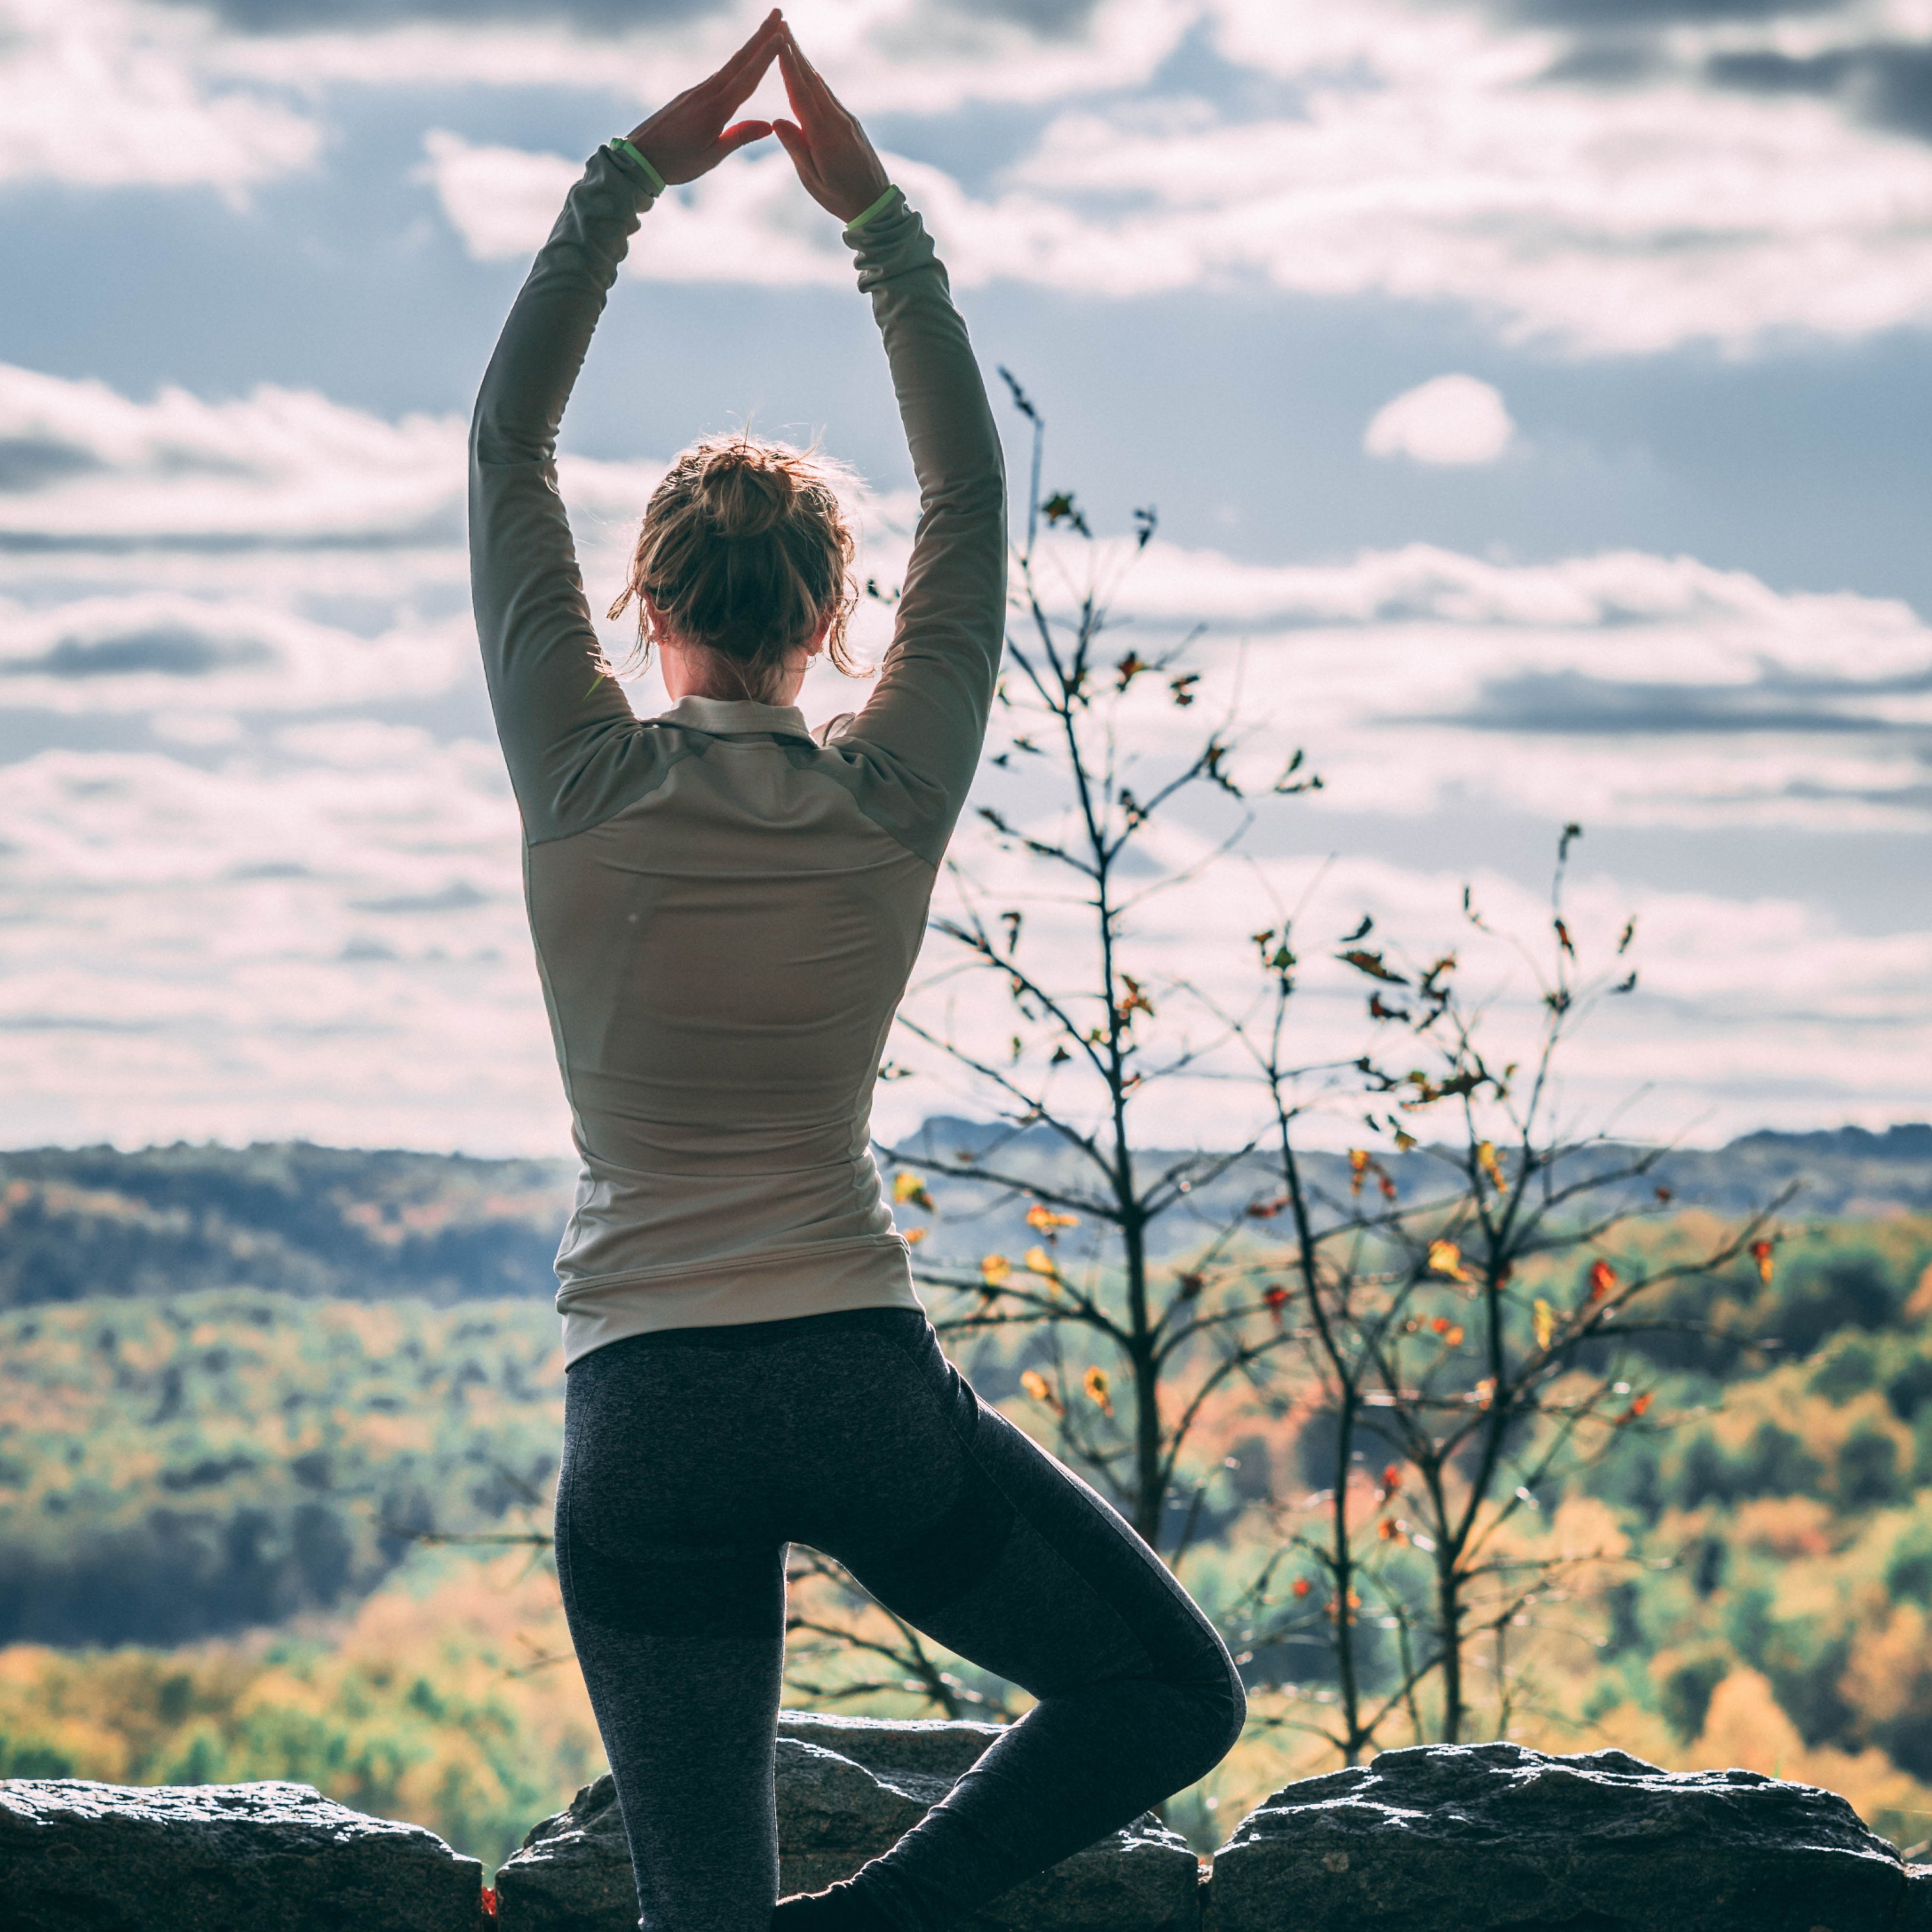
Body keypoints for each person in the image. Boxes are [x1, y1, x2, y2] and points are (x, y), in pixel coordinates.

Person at [467, 13, 1244, 1930]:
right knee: (1169, 1693)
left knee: (697, 1921)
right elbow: (972, 497)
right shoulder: (892, 792)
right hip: (854, 1387)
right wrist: (876, 221)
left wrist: (625, 184)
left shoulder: (579, 775)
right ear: (840, 614)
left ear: (640, 608)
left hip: (642, 1412)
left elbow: (506, 444)